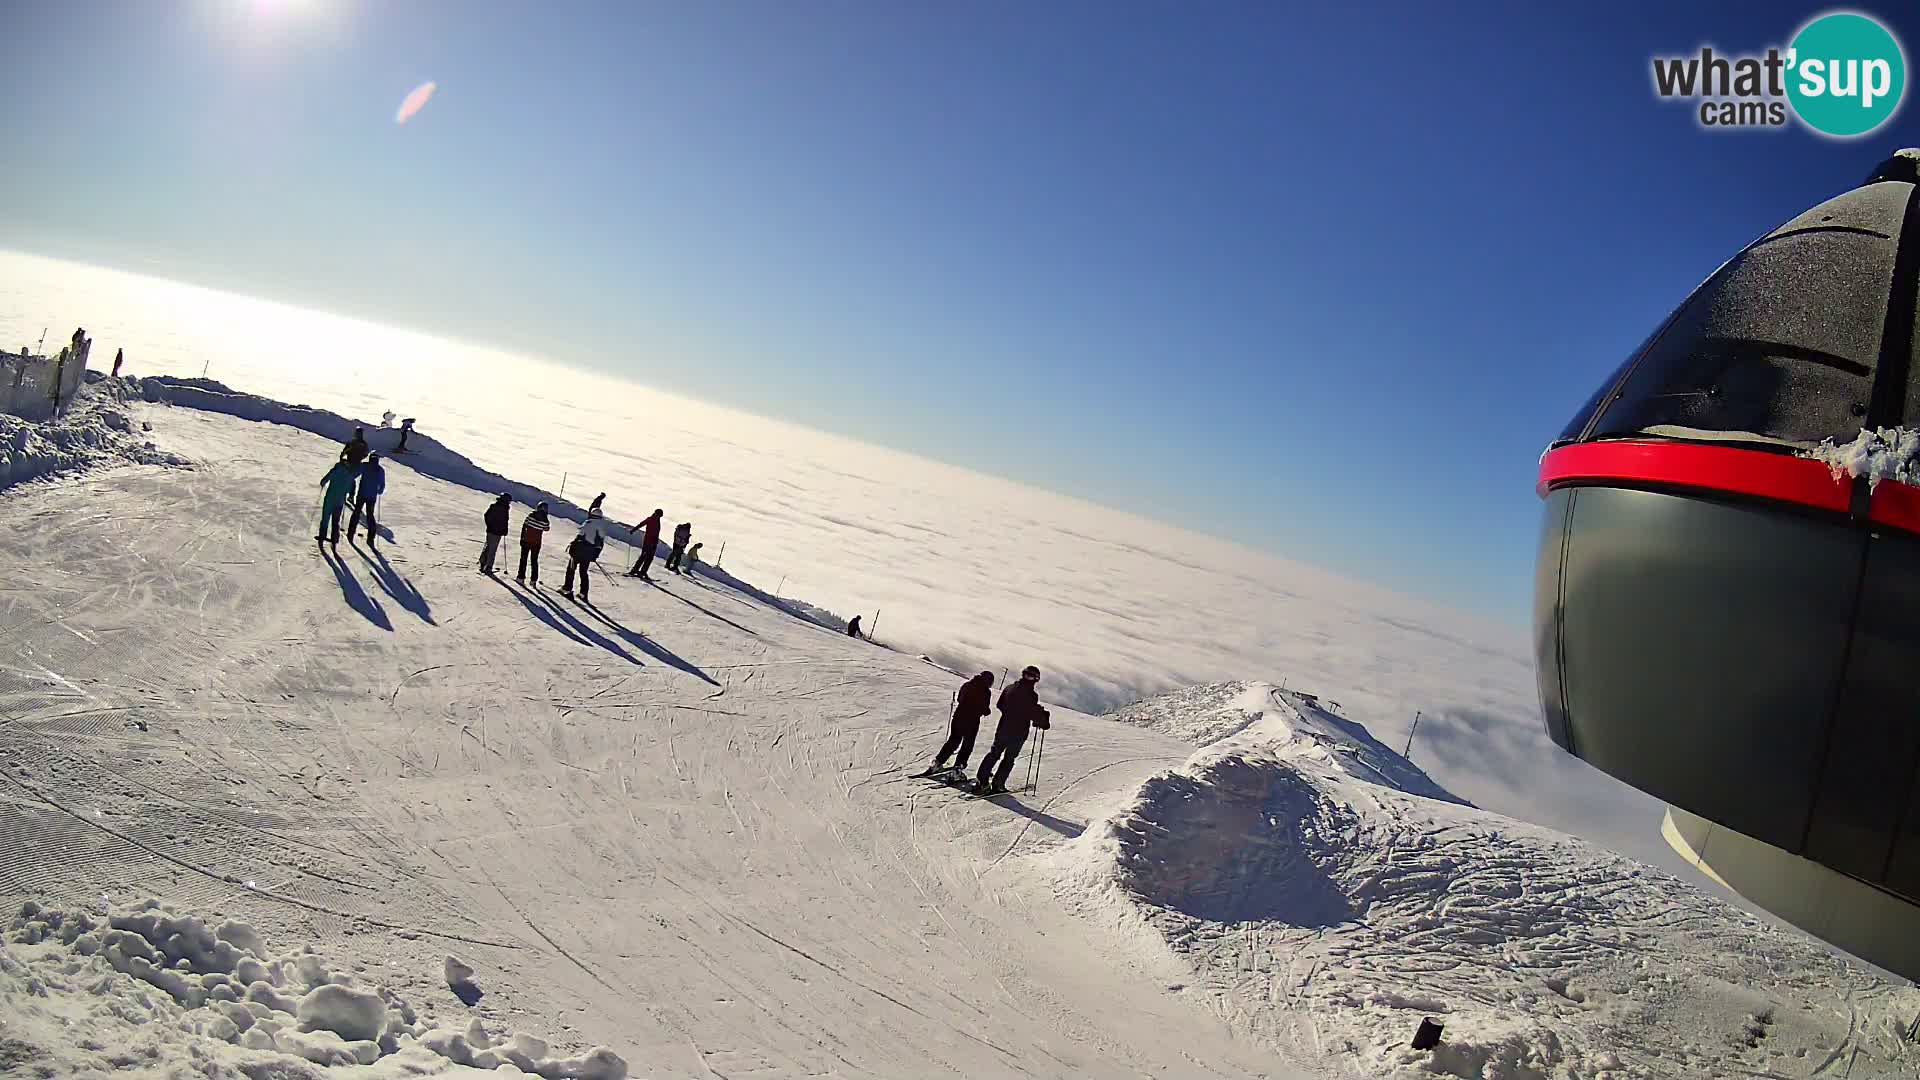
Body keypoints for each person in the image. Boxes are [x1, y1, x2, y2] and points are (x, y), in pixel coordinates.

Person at [976, 666, 1049, 795]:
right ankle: (998, 784)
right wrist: (1042, 720)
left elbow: (1000, 705)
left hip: (1004, 727)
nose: (1029, 679)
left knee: (994, 753)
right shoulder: (1031, 695)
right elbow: (1031, 712)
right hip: (1018, 732)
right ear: (1036, 679)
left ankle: (981, 778)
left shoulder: (1009, 688)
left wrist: (1009, 713)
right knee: (1009, 758)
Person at [918, 672, 994, 777]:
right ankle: (958, 767)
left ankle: (938, 762)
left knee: (953, 740)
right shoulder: (986, 692)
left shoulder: (967, 685)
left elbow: (960, 699)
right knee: (967, 744)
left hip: (958, 717)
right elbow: (983, 707)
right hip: (972, 721)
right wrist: (986, 711)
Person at [562, 509, 609, 601]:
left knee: (571, 569)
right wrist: (595, 555)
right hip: (589, 553)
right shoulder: (601, 527)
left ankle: (567, 589)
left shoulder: (588, 523)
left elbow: (580, 535)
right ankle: (583, 593)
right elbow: (600, 544)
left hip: (579, 551)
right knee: (583, 572)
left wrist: (572, 546)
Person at [347, 452, 385, 547]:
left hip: (362, 494)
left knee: (356, 513)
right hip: (372, 496)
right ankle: (370, 538)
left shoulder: (365, 466)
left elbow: (354, 475)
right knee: (370, 515)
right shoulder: (380, 470)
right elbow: (382, 484)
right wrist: (379, 491)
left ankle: (351, 533)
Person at [316, 460, 358, 547]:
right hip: (340, 500)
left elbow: (324, 480)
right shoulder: (350, 474)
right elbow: (352, 487)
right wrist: (350, 494)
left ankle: (322, 536)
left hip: (330, 498)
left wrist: (323, 483)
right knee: (336, 520)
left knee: (325, 517)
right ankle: (335, 538)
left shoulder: (336, 469)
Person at [518, 501, 551, 585]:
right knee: (534, 560)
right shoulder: (545, 520)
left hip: (526, 540)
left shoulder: (531, 516)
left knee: (523, 559)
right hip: (536, 543)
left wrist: (522, 538)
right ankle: (533, 580)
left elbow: (525, 525)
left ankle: (520, 577)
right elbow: (546, 529)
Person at [626, 509, 664, 579]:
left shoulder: (657, 521)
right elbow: (641, 524)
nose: (659, 517)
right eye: (658, 515)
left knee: (649, 558)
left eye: (659, 516)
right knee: (644, 556)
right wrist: (633, 530)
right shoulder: (650, 519)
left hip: (653, 543)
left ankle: (643, 571)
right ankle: (635, 570)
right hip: (648, 542)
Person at [480, 493, 511, 574]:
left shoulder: (494, 506)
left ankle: (483, 563)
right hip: (497, 532)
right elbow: (505, 521)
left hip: (490, 530)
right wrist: (504, 530)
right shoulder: (504, 509)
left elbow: (486, 515)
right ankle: (488, 566)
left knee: (488, 546)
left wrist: (489, 525)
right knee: (492, 549)